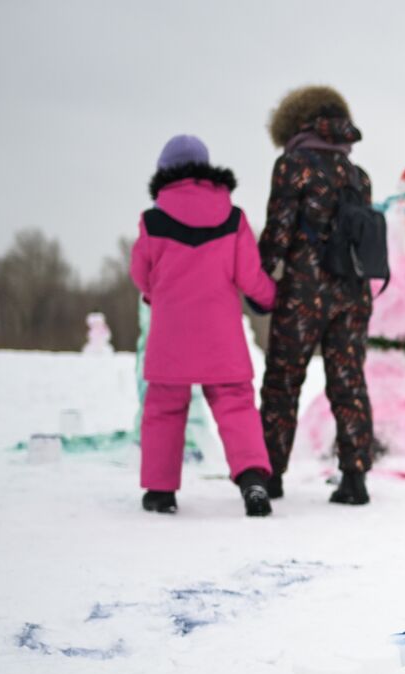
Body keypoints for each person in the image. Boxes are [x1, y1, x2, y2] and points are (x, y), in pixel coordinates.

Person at [130, 135, 277, 517]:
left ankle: (160, 492)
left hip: (170, 336)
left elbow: (140, 274)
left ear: (165, 174)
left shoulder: (153, 221)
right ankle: (253, 481)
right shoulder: (233, 218)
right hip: (221, 336)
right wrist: (270, 298)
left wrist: (155, 296)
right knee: (236, 405)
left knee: (163, 408)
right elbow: (250, 276)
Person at [258, 86, 376, 505]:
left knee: (282, 382)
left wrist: (258, 277)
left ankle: (268, 476)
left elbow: (279, 231)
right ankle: (355, 477)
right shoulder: (358, 176)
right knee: (349, 383)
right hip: (352, 295)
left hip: (303, 295)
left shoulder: (292, 165)